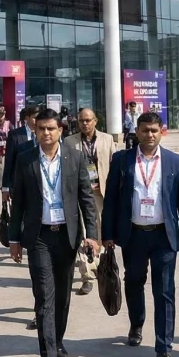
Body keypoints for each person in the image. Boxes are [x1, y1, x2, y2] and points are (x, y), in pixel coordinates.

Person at [102, 112, 179, 357]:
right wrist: (107, 234)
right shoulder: (122, 160)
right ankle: (136, 322)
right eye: (145, 130)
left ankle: (164, 348)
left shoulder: (174, 161)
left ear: (161, 131)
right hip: (133, 234)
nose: (150, 135)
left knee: (165, 291)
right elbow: (110, 199)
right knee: (133, 281)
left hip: (163, 236)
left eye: (154, 130)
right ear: (137, 132)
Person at [9, 108, 98, 357]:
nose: (46, 133)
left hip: (68, 236)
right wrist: (15, 238)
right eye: (41, 129)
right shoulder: (25, 160)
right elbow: (19, 203)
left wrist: (92, 236)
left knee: (62, 295)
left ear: (61, 130)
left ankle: (57, 340)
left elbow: (87, 201)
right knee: (44, 296)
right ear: (34, 131)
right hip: (39, 237)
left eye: (51, 128)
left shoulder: (76, 158)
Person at [64, 107, 115, 295]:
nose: (85, 124)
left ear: (95, 121)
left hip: (101, 192)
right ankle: (87, 276)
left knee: (100, 232)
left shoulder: (107, 139)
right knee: (83, 233)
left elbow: (113, 165)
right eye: (81, 121)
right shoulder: (69, 142)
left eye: (88, 120)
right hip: (79, 194)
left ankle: (99, 266)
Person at [2, 106, 39, 202]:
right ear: (27, 118)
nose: (38, 120)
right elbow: (9, 161)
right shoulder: (15, 134)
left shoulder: (44, 133)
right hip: (19, 183)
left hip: (39, 184)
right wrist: (5, 187)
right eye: (35, 118)